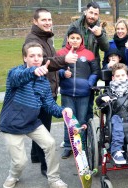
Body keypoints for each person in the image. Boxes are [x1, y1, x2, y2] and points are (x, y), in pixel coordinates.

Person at [0, 42, 73, 188]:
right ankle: (13, 175)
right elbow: (21, 77)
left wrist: (63, 111)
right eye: (32, 56)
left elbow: (50, 106)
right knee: (20, 162)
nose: (36, 59)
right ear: (24, 58)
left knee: (50, 143)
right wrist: (33, 71)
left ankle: (54, 179)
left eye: (39, 56)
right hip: (12, 124)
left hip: (32, 122)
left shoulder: (43, 83)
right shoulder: (15, 73)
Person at [24, 8, 78, 177]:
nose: (48, 22)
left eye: (49, 19)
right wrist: (64, 60)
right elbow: (42, 62)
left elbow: (51, 61)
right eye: (44, 20)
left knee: (38, 124)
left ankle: (35, 156)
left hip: (49, 87)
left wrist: (62, 67)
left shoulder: (46, 37)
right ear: (35, 21)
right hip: (40, 91)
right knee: (43, 129)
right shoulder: (33, 40)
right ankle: (46, 167)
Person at [62, 2, 110, 123]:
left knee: (88, 105)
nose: (92, 16)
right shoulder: (75, 26)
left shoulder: (99, 27)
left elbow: (106, 48)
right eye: (91, 13)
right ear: (85, 12)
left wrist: (99, 35)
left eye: (96, 14)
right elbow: (65, 46)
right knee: (71, 108)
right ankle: (71, 138)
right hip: (75, 68)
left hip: (92, 69)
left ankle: (87, 135)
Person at [57, 27, 100, 158]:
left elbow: (95, 71)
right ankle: (68, 146)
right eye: (72, 38)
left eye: (77, 38)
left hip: (84, 93)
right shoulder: (60, 53)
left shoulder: (89, 54)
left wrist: (89, 83)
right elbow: (54, 70)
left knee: (81, 120)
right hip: (67, 92)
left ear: (81, 40)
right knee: (69, 120)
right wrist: (63, 73)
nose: (75, 40)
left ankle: (81, 146)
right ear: (68, 39)